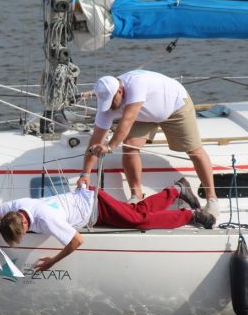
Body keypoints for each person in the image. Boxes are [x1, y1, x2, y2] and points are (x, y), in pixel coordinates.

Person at [0, 177, 212, 272]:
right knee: (137, 212)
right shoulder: (13, 207)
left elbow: (78, 240)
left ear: (24, 224)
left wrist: (51, 262)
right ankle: (178, 189)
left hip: (96, 206)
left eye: (22, 235)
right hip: (90, 206)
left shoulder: (46, 219)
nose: (24, 237)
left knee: (139, 219)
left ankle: (191, 215)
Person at [78, 69, 220, 226]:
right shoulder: (108, 106)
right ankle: (136, 195)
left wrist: (110, 146)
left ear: (119, 91)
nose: (110, 107)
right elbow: (95, 141)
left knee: (194, 151)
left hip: (175, 105)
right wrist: (85, 174)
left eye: (112, 101)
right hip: (144, 114)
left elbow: (128, 120)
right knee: (130, 146)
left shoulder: (136, 85)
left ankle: (212, 199)